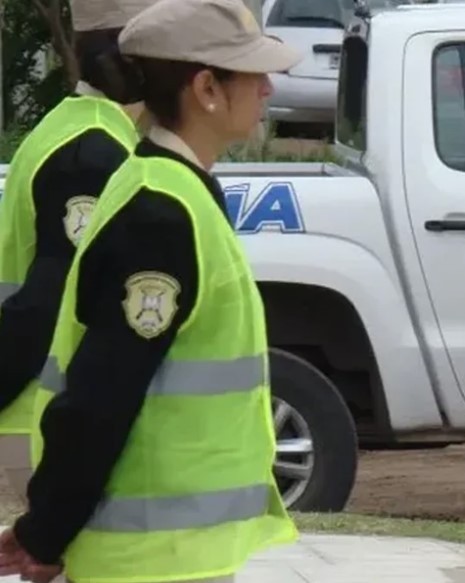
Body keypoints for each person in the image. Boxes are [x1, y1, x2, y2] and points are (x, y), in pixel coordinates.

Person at [0, 0, 303, 581]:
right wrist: (46, 531)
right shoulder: (160, 213)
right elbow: (98, 395)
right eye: (253, 73)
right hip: (151, 558)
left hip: (170, 551)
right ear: (207, 88)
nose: (268, 88)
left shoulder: (166, 188)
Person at [0, 0, 159, 506]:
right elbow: (48, 300)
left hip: (47, 411)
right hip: (47, 415)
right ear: (130, 60)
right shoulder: (91, 154)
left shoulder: (77, 130)